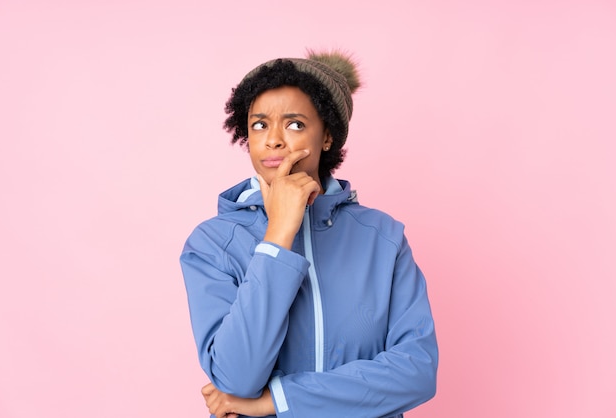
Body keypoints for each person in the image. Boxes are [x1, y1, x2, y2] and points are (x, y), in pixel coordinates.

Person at [180, 50, 438, 418]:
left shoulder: (383, 238)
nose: (273, 140)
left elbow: (416, 372)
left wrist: (276, 401)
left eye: (295, 124)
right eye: (259, 125)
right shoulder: (211, 243)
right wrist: (278, 236)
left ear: (327, 136)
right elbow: (236, 379)